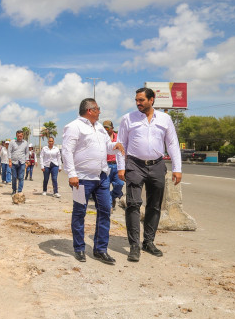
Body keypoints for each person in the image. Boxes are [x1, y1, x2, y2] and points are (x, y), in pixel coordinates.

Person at [116, 87, 182, 263]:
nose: (138, 103)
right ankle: (134, 246)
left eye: (141, 100)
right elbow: (121, 144)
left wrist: (177, 168)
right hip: (134, 165)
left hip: (157, 165)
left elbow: (173, 143)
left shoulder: (165, 119)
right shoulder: (128, 119)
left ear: (152, 100)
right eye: (136, 100)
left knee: (154, 206)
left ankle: (149, 242)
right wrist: (121, 167)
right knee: (133, 204)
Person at [62, 98, 123, 265]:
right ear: (90, 110)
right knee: (79, 212)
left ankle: (100, 249)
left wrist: (115, 146)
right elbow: (67, 151)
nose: (100, 112)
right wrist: (72, 174)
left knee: (105, 211)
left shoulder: (100, 127)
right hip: (81, 179)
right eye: (98, 109)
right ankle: (79, 248)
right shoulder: (74, 127)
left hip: (101, 177)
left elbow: (106, 146)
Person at [103, 120, 126, 211]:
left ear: (112, 128)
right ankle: (110, 206)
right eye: (104, 128)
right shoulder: (102, 138)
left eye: (107, 128)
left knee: (120, 184)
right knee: (106, 186)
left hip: (117, 166)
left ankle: (112, 196)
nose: (105, 130)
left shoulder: (119, 137)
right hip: (106, 166)